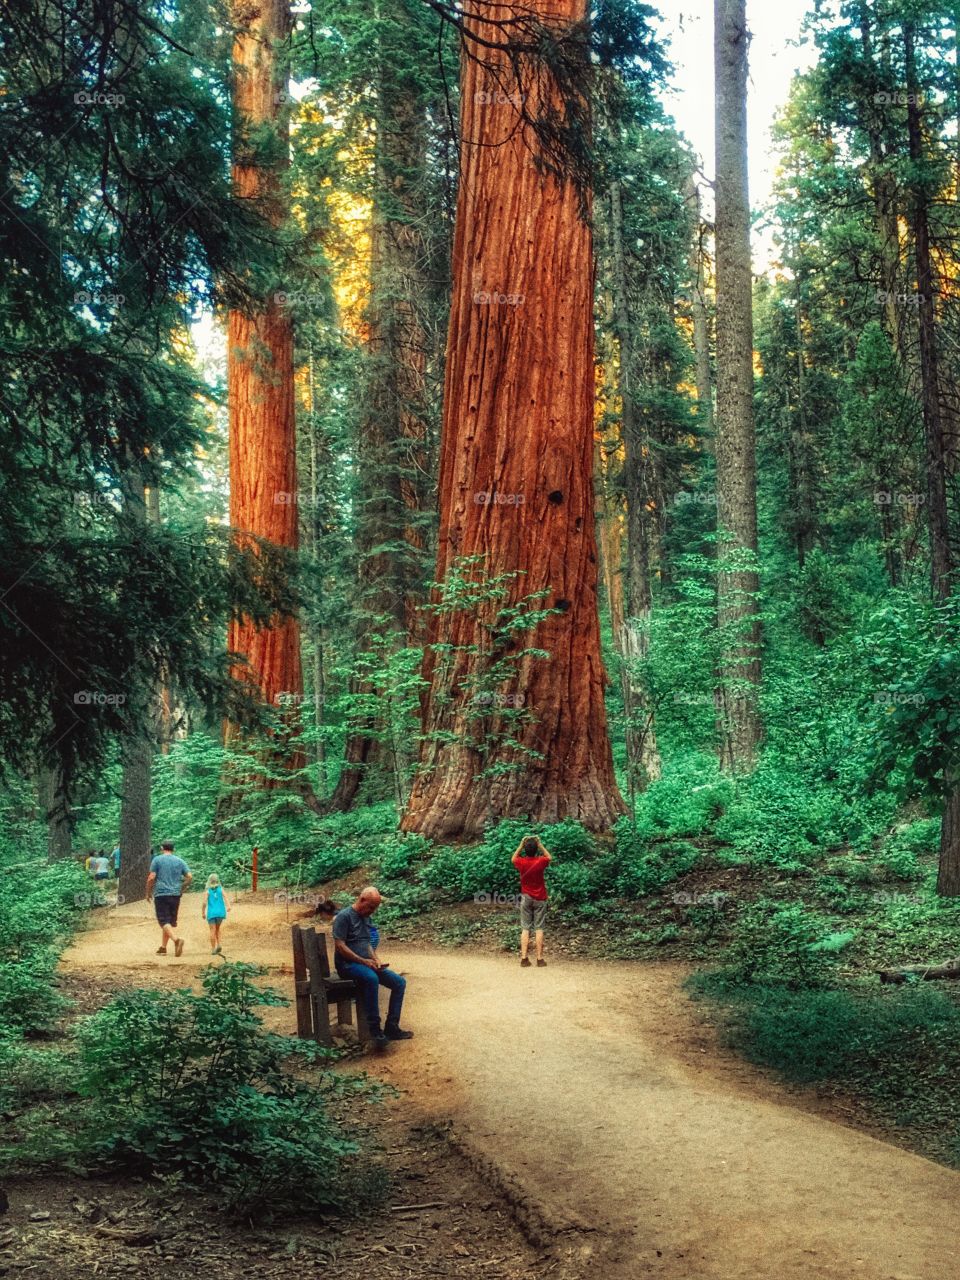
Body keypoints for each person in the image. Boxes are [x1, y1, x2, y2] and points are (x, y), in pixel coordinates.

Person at [332, 887, 412, 1048]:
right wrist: (363, 961)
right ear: (361, 900)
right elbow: (340, 946)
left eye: (375, 908)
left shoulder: (365, 917)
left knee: (399, 982)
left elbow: (367, 943)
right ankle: (375, 1030)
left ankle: (392, 1027)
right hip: (347, 965)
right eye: (370, 907)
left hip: (365, 963)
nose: (372, 911)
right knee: (371, 978)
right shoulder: (344, 917)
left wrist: (376, 960)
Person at [146, 840, 192, 957]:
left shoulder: (157, 860)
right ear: (173, 849)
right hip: (175, 895)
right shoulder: (179, 861)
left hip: (161, 894)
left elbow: (151, 878)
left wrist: (148, 892)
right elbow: (190, 877)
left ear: (162, 848)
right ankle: (163, 948)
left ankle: (177, 941)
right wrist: (182, 888)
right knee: (168, 922)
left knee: (163, 921)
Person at [511, 835, 551, 967]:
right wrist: (540, 844)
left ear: (525, 850)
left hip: (526, 898)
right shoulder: (540, 862)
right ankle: (539, 959)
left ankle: (524, 959)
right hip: (540, 897)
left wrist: (521, 845)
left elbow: (513, 858)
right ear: (536, 850)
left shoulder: (521, 862)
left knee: (525, 928)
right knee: (539, 928)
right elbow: (549, 857)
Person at [202, 874, 228, 954]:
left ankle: (213, 949)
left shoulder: (207, 891)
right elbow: (226, 897)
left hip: (212, 913)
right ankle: (219, 944)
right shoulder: (221, 889)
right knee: (218, 929)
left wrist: (203, 912)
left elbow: (204, 903)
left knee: (212, 930)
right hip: (220, 913)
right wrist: (229, 906)